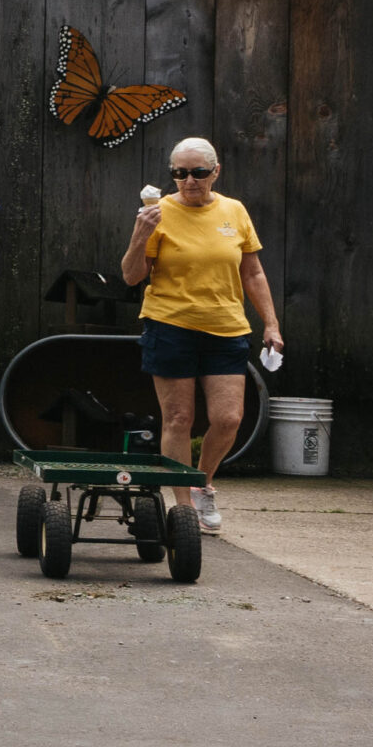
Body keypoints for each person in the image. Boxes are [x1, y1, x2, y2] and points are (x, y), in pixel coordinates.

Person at [120, 137, 283, 533]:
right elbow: (132, 276)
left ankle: (202, 484)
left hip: (226, 327)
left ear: (216, 172)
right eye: (180, 173)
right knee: (179, 418)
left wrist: (272, 324)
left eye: (198, 172)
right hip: (170, 324)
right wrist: (141, 233)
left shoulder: (234, 210)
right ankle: (182, 510)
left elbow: (253, 272)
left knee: (228, 418)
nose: (189, 181)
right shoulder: (158, 212)